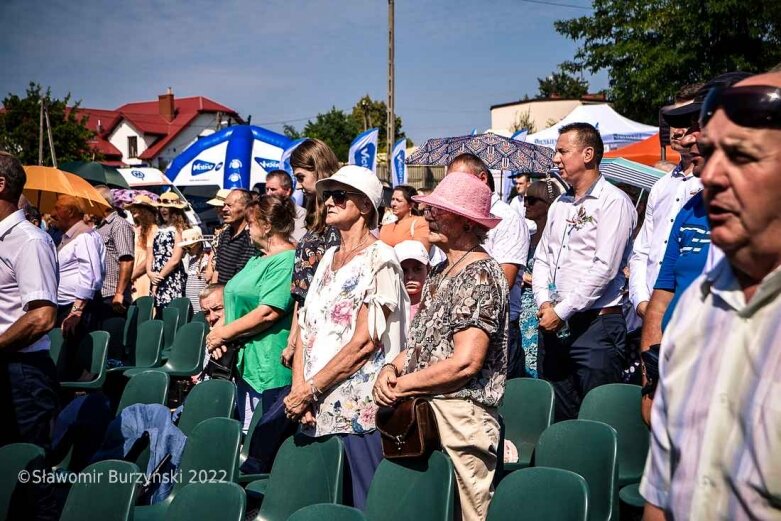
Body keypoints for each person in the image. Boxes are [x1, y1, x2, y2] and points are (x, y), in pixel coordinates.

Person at [640, 70, 781, 519]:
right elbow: (662, 495)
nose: (712, 175)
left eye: (740, 155)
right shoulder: (697, 307)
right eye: (709, 152)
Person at [374, 171, 509, 521]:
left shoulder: (480, 274)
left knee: (469, 516)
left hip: (463, 421)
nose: (428, 215)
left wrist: (401, 385)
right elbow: (420, 345)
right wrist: (390, 369)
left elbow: (465, 363)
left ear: (466, 223)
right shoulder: (439, 272)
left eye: (440, 210)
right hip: (426, 415)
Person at [284, 165, 409, 510]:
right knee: (320, 506)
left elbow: (365, 342)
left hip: (357, 411)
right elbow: (306, 326)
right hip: (313, 405)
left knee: (363, 505)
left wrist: (310, 389)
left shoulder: (381, 258)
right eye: (327, 196)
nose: (329, 203)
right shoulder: (327, 257)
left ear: (366, 206)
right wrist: (301, 390)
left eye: (340, 195)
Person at [639, 72, 751, 424]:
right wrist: (651, 378)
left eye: (699, 125)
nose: (688, 140)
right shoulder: (691, 207)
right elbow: (662, 297)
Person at [532, 122, 637, 421]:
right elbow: (542, 259)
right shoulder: (560, 204)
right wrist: (544, 302)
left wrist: (561, 310)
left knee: (598, 416)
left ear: (588, 154)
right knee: (560, 416)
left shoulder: (613, 202)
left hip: (596, 327)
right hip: (555, 324)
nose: (556, 159)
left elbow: (604, 268)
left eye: (563, 151)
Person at [206, 195, 296, 431]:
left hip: (267, 365)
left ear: (267, 226)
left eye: (252, 224)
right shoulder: (257, 258)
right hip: (243, 363)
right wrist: (218, 331)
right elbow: (232, 296)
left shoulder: (285, 260)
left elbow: (268, 312)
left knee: (257, 434)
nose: (247, 230)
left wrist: (223, 333)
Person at [447, 153, 528, 379]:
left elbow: (504, 280)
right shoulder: (457, 218)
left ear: (482, 179)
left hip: (497, 328)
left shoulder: (507, 218)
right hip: (461, 325)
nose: (451, 188)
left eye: (458, 180)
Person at [628, 83, 704, 320]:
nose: (679, 131)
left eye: (689, 122)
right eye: (675, 121)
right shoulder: (661, 186)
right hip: (652, 312)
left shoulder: (710, 187)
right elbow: (642, 250)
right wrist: (641, 300)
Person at [0, 152, 59, 449]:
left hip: (22, 371)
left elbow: (43, 316)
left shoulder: (29, 240)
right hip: (8, 363)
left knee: (28, 470)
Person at [281, 138, 341, 368]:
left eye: (300, 177)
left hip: (326, 330)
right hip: (307, 324)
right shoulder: (314, 216)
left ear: (319, 170)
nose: (297, 186)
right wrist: (293, 337)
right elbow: (302, 293)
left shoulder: (338, 220)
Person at [519, 180, 561, 378]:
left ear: (548, 204)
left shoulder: (556, 237)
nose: (526, 204)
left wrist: (526, 277)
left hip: (542, 305)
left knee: (538, 360)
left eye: (533, 200)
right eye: (525, 199)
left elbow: (555, 274)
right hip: (522, 305)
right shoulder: (528, 234)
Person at [52, 195, 105, 339]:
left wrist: (76, 311)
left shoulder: (84, 237)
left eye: (57, 209)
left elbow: (91, 277)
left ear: (70, 212)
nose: (52, 214)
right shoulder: (69, 236)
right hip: (67, 308)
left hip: (76, 312)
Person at [93, 185, 135, 322]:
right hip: (100, 294)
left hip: (112, 295)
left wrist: (119, 293)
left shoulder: (119, 225)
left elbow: (127, 260)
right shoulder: (100, 226)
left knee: (111, 337)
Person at [148, 192, 189, 314]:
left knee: (170, 311)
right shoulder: (157, 229)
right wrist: (150, 273)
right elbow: (150, 253)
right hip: (156, 276)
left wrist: (158, 279)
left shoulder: (179, 229)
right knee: (159, 311)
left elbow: (175, 259)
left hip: (171, 276)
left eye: (166, 207)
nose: (162, 210)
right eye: (160, 207)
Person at [211, 189, 257, 285]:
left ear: (246, 208)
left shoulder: (251, 238)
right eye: (224, 205)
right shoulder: (225, 234)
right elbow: (217, 270)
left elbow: (243, 276)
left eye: (229, 206)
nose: (224, 209)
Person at [126, 195, 159, 300]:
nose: (132, 209)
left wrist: (132, 275)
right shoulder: (134, 229)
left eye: (137, 207)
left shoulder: (153, 229)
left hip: (142, 275)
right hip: (131, 273)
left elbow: (150, 256)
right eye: (132, 207)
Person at [378, 185, 430, 249]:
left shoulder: (420, 223)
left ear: (411, 205)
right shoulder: (385, 227)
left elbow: (420, 253)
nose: (393, 204)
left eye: (398, 200)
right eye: (392, 199)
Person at [265, 169, 307, 241]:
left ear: (287, 191)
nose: (268, 193)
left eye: (273, 189)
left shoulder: (299, 213)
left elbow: (298, 241)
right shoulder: (262, 210)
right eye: (267, 189)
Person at [393, 240, 430, 319]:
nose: (410, 277)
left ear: (428, 269)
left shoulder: (436, 304)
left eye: (417, 269)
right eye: (403, 270)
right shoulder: (389, 307)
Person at [179, 228, 211, 314]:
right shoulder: (191, 261)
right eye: (185, 248)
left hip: (200, 302)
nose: (187, 250)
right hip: (191, 302)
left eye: (189, 247)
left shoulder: (205, 260)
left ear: (199, 244)